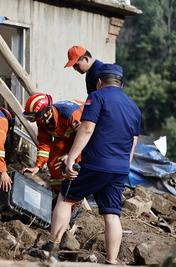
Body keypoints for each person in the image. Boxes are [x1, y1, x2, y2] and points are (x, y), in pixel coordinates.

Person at [44, 64, 141, 265]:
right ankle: (112, 261)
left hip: (97, 164)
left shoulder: (97, 97)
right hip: (120, 168)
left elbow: (87, 128)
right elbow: (133, 141)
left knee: (66, 198)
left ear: (98, 82)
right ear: (121, 84)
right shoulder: (133, 106)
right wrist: (125, 165)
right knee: (112, 214)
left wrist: (71, 157)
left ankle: (51, 248)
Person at [22, 93, 83, 190]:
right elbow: (44, 143)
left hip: (85, 138)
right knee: (53, 163)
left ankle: (76, 195)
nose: (37, 120)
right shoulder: (42, 119)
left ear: (47, 112)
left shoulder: (70, 114)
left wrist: (70, 156)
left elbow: (85, 138)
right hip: (67, 138)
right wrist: (38, 166)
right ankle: (59, 193)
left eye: (36, 117)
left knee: (77, 164)